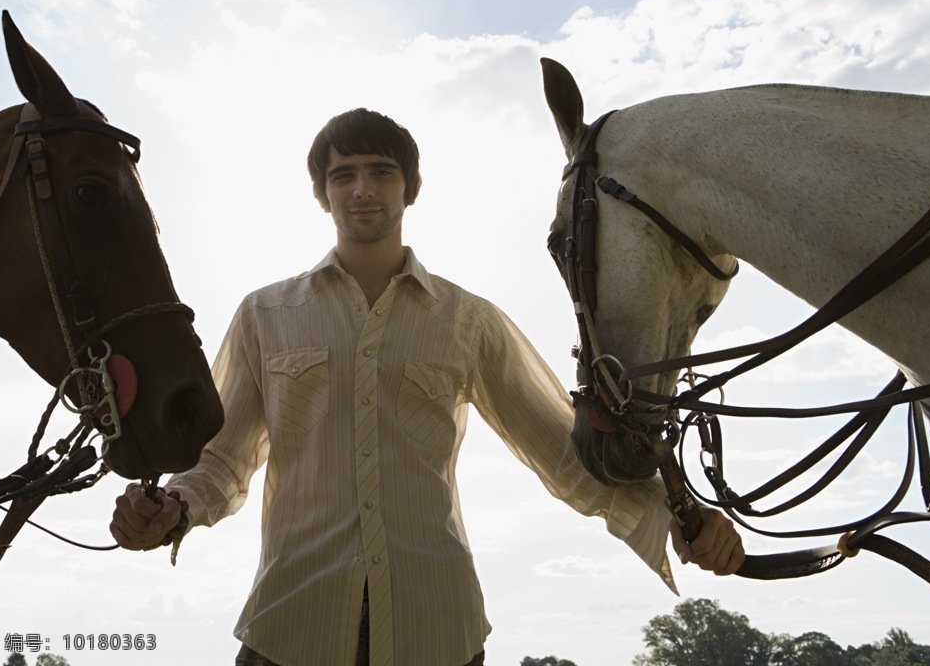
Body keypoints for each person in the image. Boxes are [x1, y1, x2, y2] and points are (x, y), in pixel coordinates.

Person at [110, 108, 745, 666]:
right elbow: (224, 459)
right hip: (289, 629)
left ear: (411, 188)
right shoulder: (264, 314)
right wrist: (175, 509)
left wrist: (678, 517)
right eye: (343, 174)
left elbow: (564, 453)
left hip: (437, 633)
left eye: (382, 172)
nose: (363, 189)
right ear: (321, 194)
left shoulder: (468, 320)